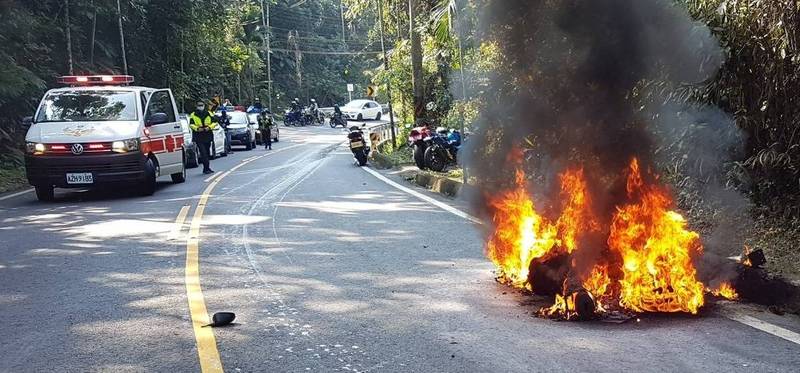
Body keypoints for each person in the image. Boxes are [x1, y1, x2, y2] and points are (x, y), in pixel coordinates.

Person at [189, 101, 219, 174]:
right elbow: (191, 124)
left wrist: (209, 127)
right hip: (198, 135)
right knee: (203, 152)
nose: (200, 107)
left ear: (204, 106)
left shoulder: (209, 113)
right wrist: (197, 128)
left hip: (207, 134)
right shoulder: (193, 115)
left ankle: (207, 168)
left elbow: (215, 122)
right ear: (197, 106)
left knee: (207, 152)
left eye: (202, 105)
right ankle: (206, 168)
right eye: (199, 105)